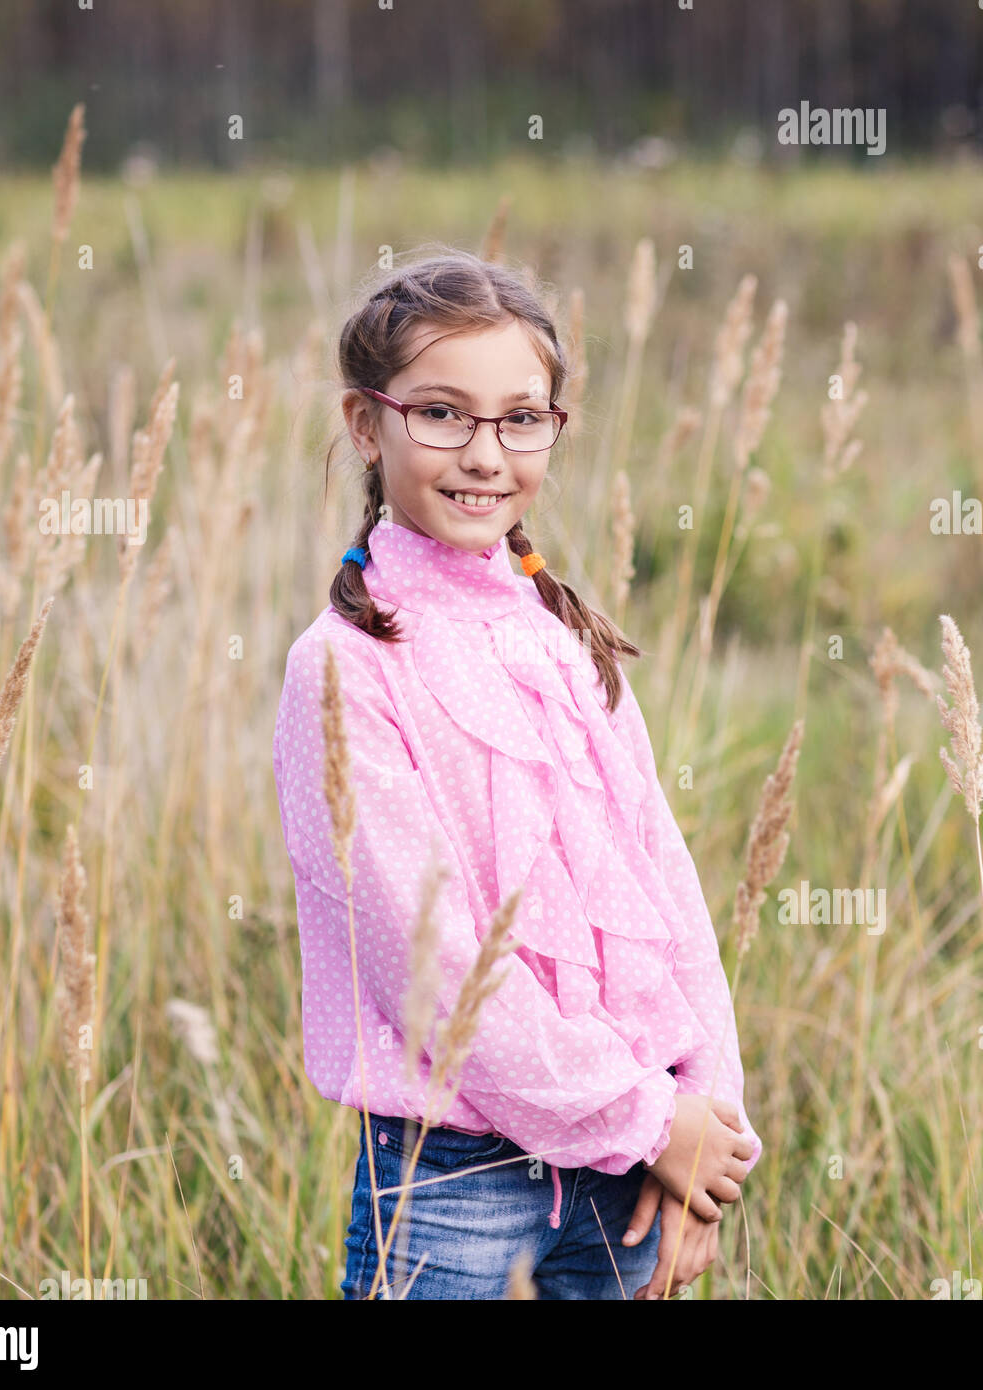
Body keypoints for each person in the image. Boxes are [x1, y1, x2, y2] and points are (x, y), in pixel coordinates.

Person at [273, 248, 761, 1301]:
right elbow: (432, 967)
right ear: (367, 423)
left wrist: (700, 1139)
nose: (485, 453)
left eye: (520, 418)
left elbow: (670, 898)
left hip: (628, 1177)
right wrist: (649, 1120)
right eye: (441, 414)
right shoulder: (345, 668)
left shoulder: (560, 634)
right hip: (449, 1183)